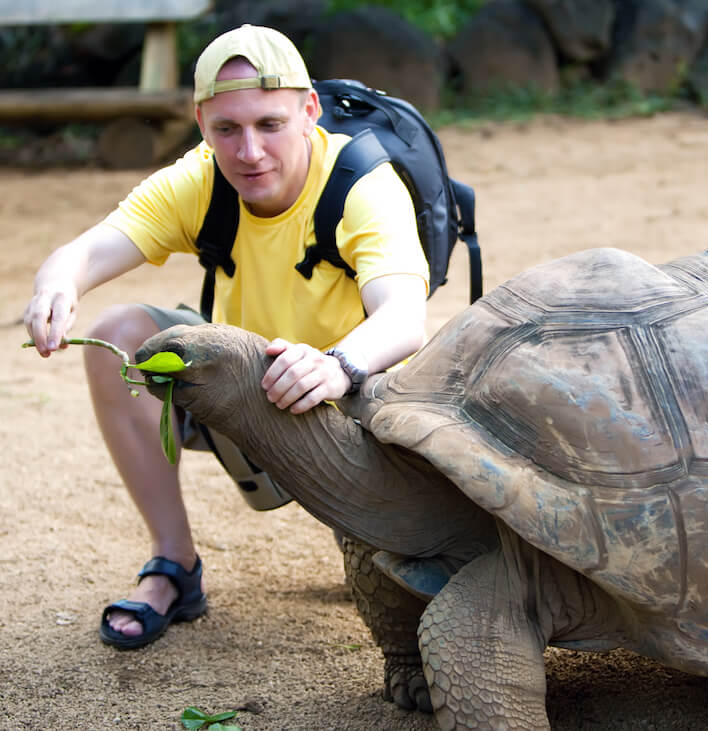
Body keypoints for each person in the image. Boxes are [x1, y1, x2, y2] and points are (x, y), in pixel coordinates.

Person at [22, 24, 429, 650]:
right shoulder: (202, 179)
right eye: (227, 130)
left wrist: (336, 365)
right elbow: (88, 250)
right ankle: (174, 565)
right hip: (243, 391)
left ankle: (365, 525)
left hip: (344, 404)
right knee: (118, 336)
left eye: (270, 124)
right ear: (201, 124)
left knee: (402, 579)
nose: (249, 152)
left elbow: (404, 316)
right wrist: (59, 281)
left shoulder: (363, 187)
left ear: (309, 111)